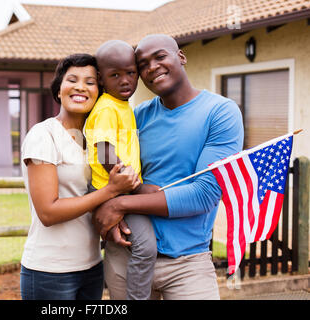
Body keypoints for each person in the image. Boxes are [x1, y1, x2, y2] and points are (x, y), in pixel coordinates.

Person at [92, 34, 244, 300]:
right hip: (128, 256)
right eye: (142, 64)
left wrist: (120, 205)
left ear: (181, 57)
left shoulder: (220, 112)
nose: (152, 67)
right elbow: (102, 162)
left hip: (187, 265)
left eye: (160, 56)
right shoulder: (137, 116)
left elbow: (204, 195)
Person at [19, 53, 140, 300]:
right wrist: (111, 190)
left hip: (92, 266)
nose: (80, 87)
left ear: (100, 91)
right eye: (72, 79)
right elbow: (48, 213)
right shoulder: (44, 135)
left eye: (90, 82)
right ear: (59, 90)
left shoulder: (97, 140)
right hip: (50, 271)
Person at [84, 40, 158, 300]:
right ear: (102, 79)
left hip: (120, 188)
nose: (125, 80)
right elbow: (105, 151)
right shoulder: (106, 108)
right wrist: (138, 187)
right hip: (112, 189)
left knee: (135, 243)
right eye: (115, 75)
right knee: (146, 247)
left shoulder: (123, 106)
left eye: (130, 73)